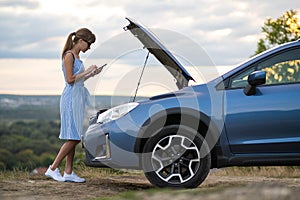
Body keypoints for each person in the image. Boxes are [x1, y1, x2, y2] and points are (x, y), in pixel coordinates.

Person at [45, 28, 102, 182]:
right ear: (81, 41)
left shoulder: (77, 57)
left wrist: (91, 74)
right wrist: (87, 71)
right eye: (89, 44)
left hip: (78, 98)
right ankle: (53, 168)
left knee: (74, 136)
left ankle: (68, 172)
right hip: (70, 99)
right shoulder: (68, 55)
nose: (89, 48)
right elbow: (70, 79)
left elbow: (79, 81)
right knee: (74, 137)